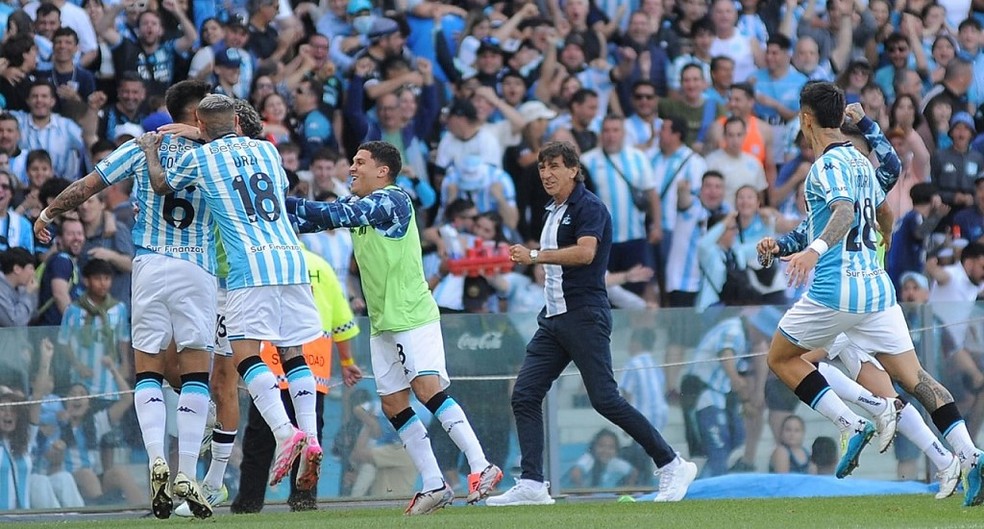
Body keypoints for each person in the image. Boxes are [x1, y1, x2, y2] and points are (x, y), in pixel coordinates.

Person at [758, 82, 984, 507]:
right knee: (916, 380)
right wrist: (783, 246)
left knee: (782, 359)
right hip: (877, 291)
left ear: (806, 118)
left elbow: (842, 213)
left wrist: (812, 252)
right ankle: (971, 457)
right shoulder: (861, 162)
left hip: (836, 291)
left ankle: (850, 422)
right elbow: (889, 172)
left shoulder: (824, 168)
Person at [285, 140, 503, 515]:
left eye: (358, 162)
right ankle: (434, 484)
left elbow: (331, 216)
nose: (350, 168)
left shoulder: (395, 200)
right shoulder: (356, 206)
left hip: (412, 313)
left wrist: (275, 200)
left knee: (426, 389)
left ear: (382, 170)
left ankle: (481, 465)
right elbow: (311, 218)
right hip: (384, 320)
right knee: (393, 404)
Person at [34, 80, 219, 519]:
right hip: (198, 267)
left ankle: (156, 457)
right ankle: (187, 472)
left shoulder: (141, 147)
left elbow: (87, 186)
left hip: (151, 265)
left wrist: (48, 213)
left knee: (149, 370)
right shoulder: (220, 148)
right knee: (194, 373)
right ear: (201, 114)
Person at [138, 94, 325, 503]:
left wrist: (154, 149)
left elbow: (160, 184)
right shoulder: (268, 151)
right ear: (237, 122)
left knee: (244, 355)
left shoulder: (202, 159)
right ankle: (309, 436)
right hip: (291, 260)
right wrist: (208, 133)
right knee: (293, 353)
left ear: (200, 128)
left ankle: (284, 433)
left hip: (247, 266)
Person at [490, 141, 696, 506]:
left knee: (604, 399)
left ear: (573, 169)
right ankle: (534, 483)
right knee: (524, 394)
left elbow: (586, 253)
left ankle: (671, 462)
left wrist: (536, 255)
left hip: (584, 315)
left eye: (554, 166)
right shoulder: (552, 211)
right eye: (541, 167)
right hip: (553, 318)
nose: (546, 174)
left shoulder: (589, 207)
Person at [228, 247, 362, 514]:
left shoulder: (265, 261)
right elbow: (342, 323)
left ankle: (249, 501)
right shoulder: (322, 266)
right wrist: (347, 363)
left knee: (260, 440)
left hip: (270, 365)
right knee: (310, 434)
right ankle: (304, 499)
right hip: (312, 368)